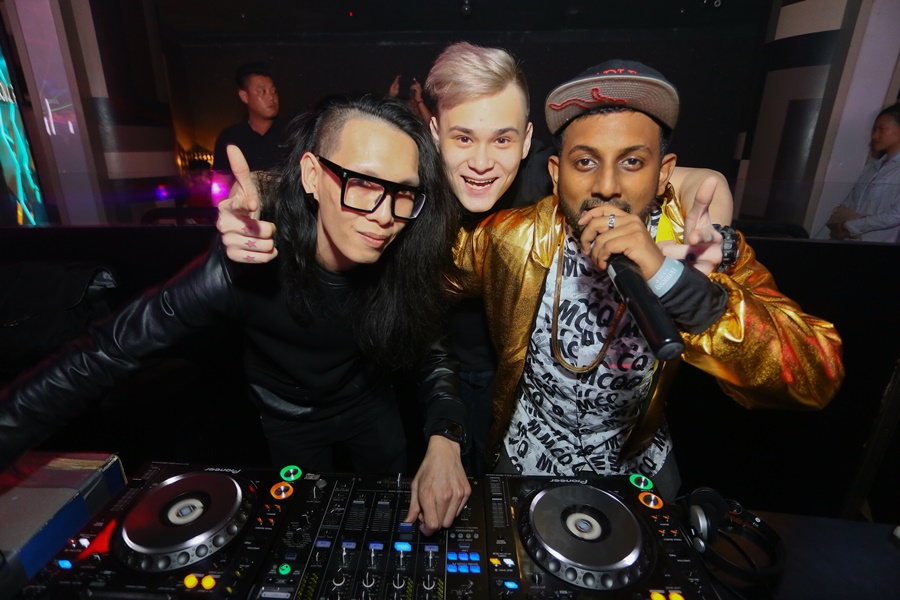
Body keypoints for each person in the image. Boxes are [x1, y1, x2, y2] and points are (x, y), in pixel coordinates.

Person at [216, 45, 735, 482]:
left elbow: (683, 179)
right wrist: (257, 193)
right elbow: (331, 177)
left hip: (511, 376)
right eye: (463, 137)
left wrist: (710, 217)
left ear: (527, 141)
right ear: (434, 133)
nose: (483, 163)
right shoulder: (408, 180)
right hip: (425, 364)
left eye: (502, 139)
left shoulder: (549, 180)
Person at [0, 95, 469, 535]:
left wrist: (446, 437)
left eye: (403, 192)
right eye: (362, 183)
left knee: (390, 517)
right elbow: (106, 351)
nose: (385, 214)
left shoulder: (404, 254)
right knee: (300, 528)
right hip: (288, 418)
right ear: (311, 175)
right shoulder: (247, 259)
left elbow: (432, 351)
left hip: (370, 403)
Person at [447, 59, 842, 499]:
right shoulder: (510, 237)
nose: (607, 186)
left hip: (639, 470)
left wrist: (680, 285)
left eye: (632, 162)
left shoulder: (700, 246)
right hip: (524, 457)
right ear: (556, 174)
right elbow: (422, 274)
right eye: (585, 162)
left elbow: (815, 378)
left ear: (664, 172)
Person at [824, 103, 900, 243]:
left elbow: (896, 215)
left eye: (882, 129)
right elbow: (852, 201)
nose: (875, 136)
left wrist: (850, 226)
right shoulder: (873, 167)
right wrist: (839, 222)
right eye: (874, 129)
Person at [211, 62, 286, 200]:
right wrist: (222, 209)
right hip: (245, 211)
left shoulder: (292, 133)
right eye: (262, 91)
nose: (271, 97)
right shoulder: (230, 138)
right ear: (244, 96)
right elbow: (220, 187)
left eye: (273, 91)